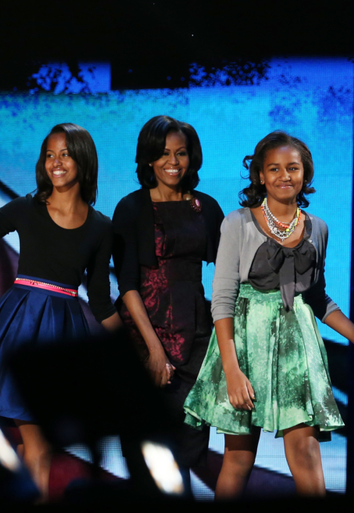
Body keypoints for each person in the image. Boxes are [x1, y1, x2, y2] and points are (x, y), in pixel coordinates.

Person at [184, 131, 354, 498]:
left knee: (306, 452)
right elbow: (222, 300)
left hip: (296, 352)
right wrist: (231, 370)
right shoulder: (238, 223)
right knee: (238, 460)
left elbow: (317, 297)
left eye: (292, 168)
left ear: (305, 173)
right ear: (259, 175)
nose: (284, 176)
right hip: (244, 347)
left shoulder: (317, 227)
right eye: (274, 168)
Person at [0, 125, 121, 500]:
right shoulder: (27, 209)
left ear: (83, 160)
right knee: (36, 445)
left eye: (66, 154)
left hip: (63, 336)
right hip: (20, 326)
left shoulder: (102, 227)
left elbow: (102, 301)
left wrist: (132, 353)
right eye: (50, 154)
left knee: (33, 445)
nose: (56, 162)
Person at [111, 116, 224, 485]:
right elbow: (127, 284)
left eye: (180, 153)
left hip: (196, 334)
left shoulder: (206, 208)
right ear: (147, 159)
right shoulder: (131, 208)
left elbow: (227, 276)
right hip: (143, 333)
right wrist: (153, 350)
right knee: (147, 448)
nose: (172, 162)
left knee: (191, 441)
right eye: (162, 154)